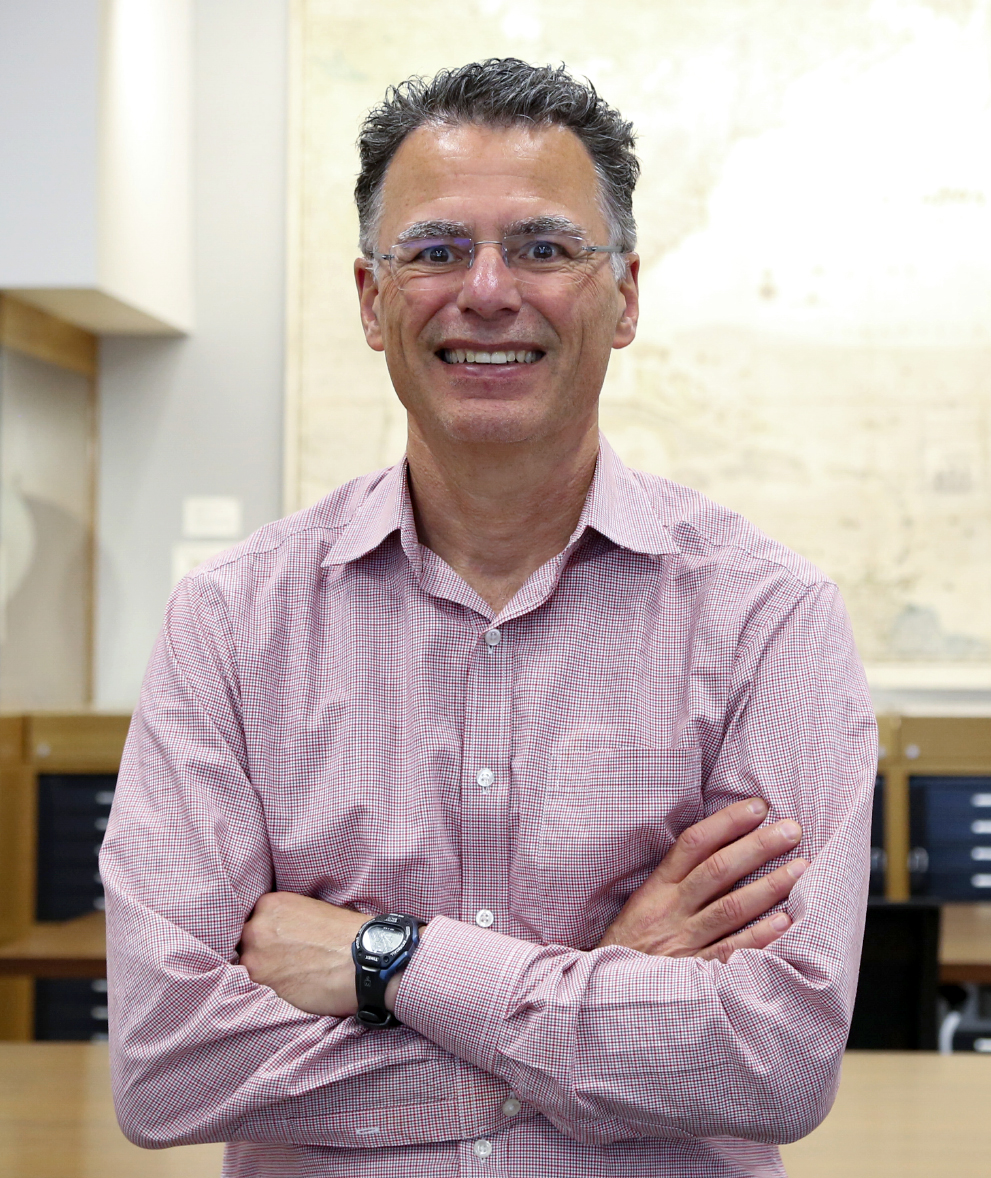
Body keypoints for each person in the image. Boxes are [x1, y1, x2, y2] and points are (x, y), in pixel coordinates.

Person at [102, 59, 876, 1178]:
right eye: (434, 250)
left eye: (545, 247)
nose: (487, 290)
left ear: (626, 297)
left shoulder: (770, 621)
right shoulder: (230, 624)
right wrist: (603, 994)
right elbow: (170, 1062)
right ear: (373, 300)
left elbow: (774, 1058)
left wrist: (393, 962)